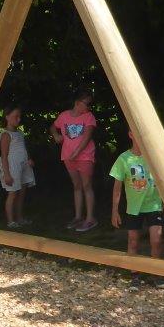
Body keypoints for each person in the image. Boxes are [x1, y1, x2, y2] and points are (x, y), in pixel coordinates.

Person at [109, 130, 164, 260]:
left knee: (156, 241)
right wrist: (114, 211)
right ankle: (133, 270)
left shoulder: (154, 156)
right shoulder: (123, 159)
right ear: (130, 134)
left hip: (154, 205)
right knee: (133, 241)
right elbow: (117, 188)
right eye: (136, 132)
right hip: (134, 207)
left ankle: (155, 269)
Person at [50, 91, 98, 231]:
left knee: (86, 185)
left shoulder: (89, 117)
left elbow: (87, 137)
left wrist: (76, 153)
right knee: (77, 185)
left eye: (90, 104)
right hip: (68, 156)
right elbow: (53, 127)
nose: (89, 107)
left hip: (85, 156)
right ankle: (78, 217)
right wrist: (56, 135)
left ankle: (90, 219)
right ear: (77, 103)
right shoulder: (64, 116)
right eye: (87, 104)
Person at [0, 105, 36, 228]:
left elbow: (23, 148)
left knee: (22, 193)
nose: (18, 119)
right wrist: (7, 174)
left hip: (23, 165)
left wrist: (29, 158)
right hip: (12, 166)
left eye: (19, 116)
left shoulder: (19, 133)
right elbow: (4, 156)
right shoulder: (6, 135)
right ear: (7, 117)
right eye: (16, 116)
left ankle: (20, 218)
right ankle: (11, 221)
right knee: (13, 193)